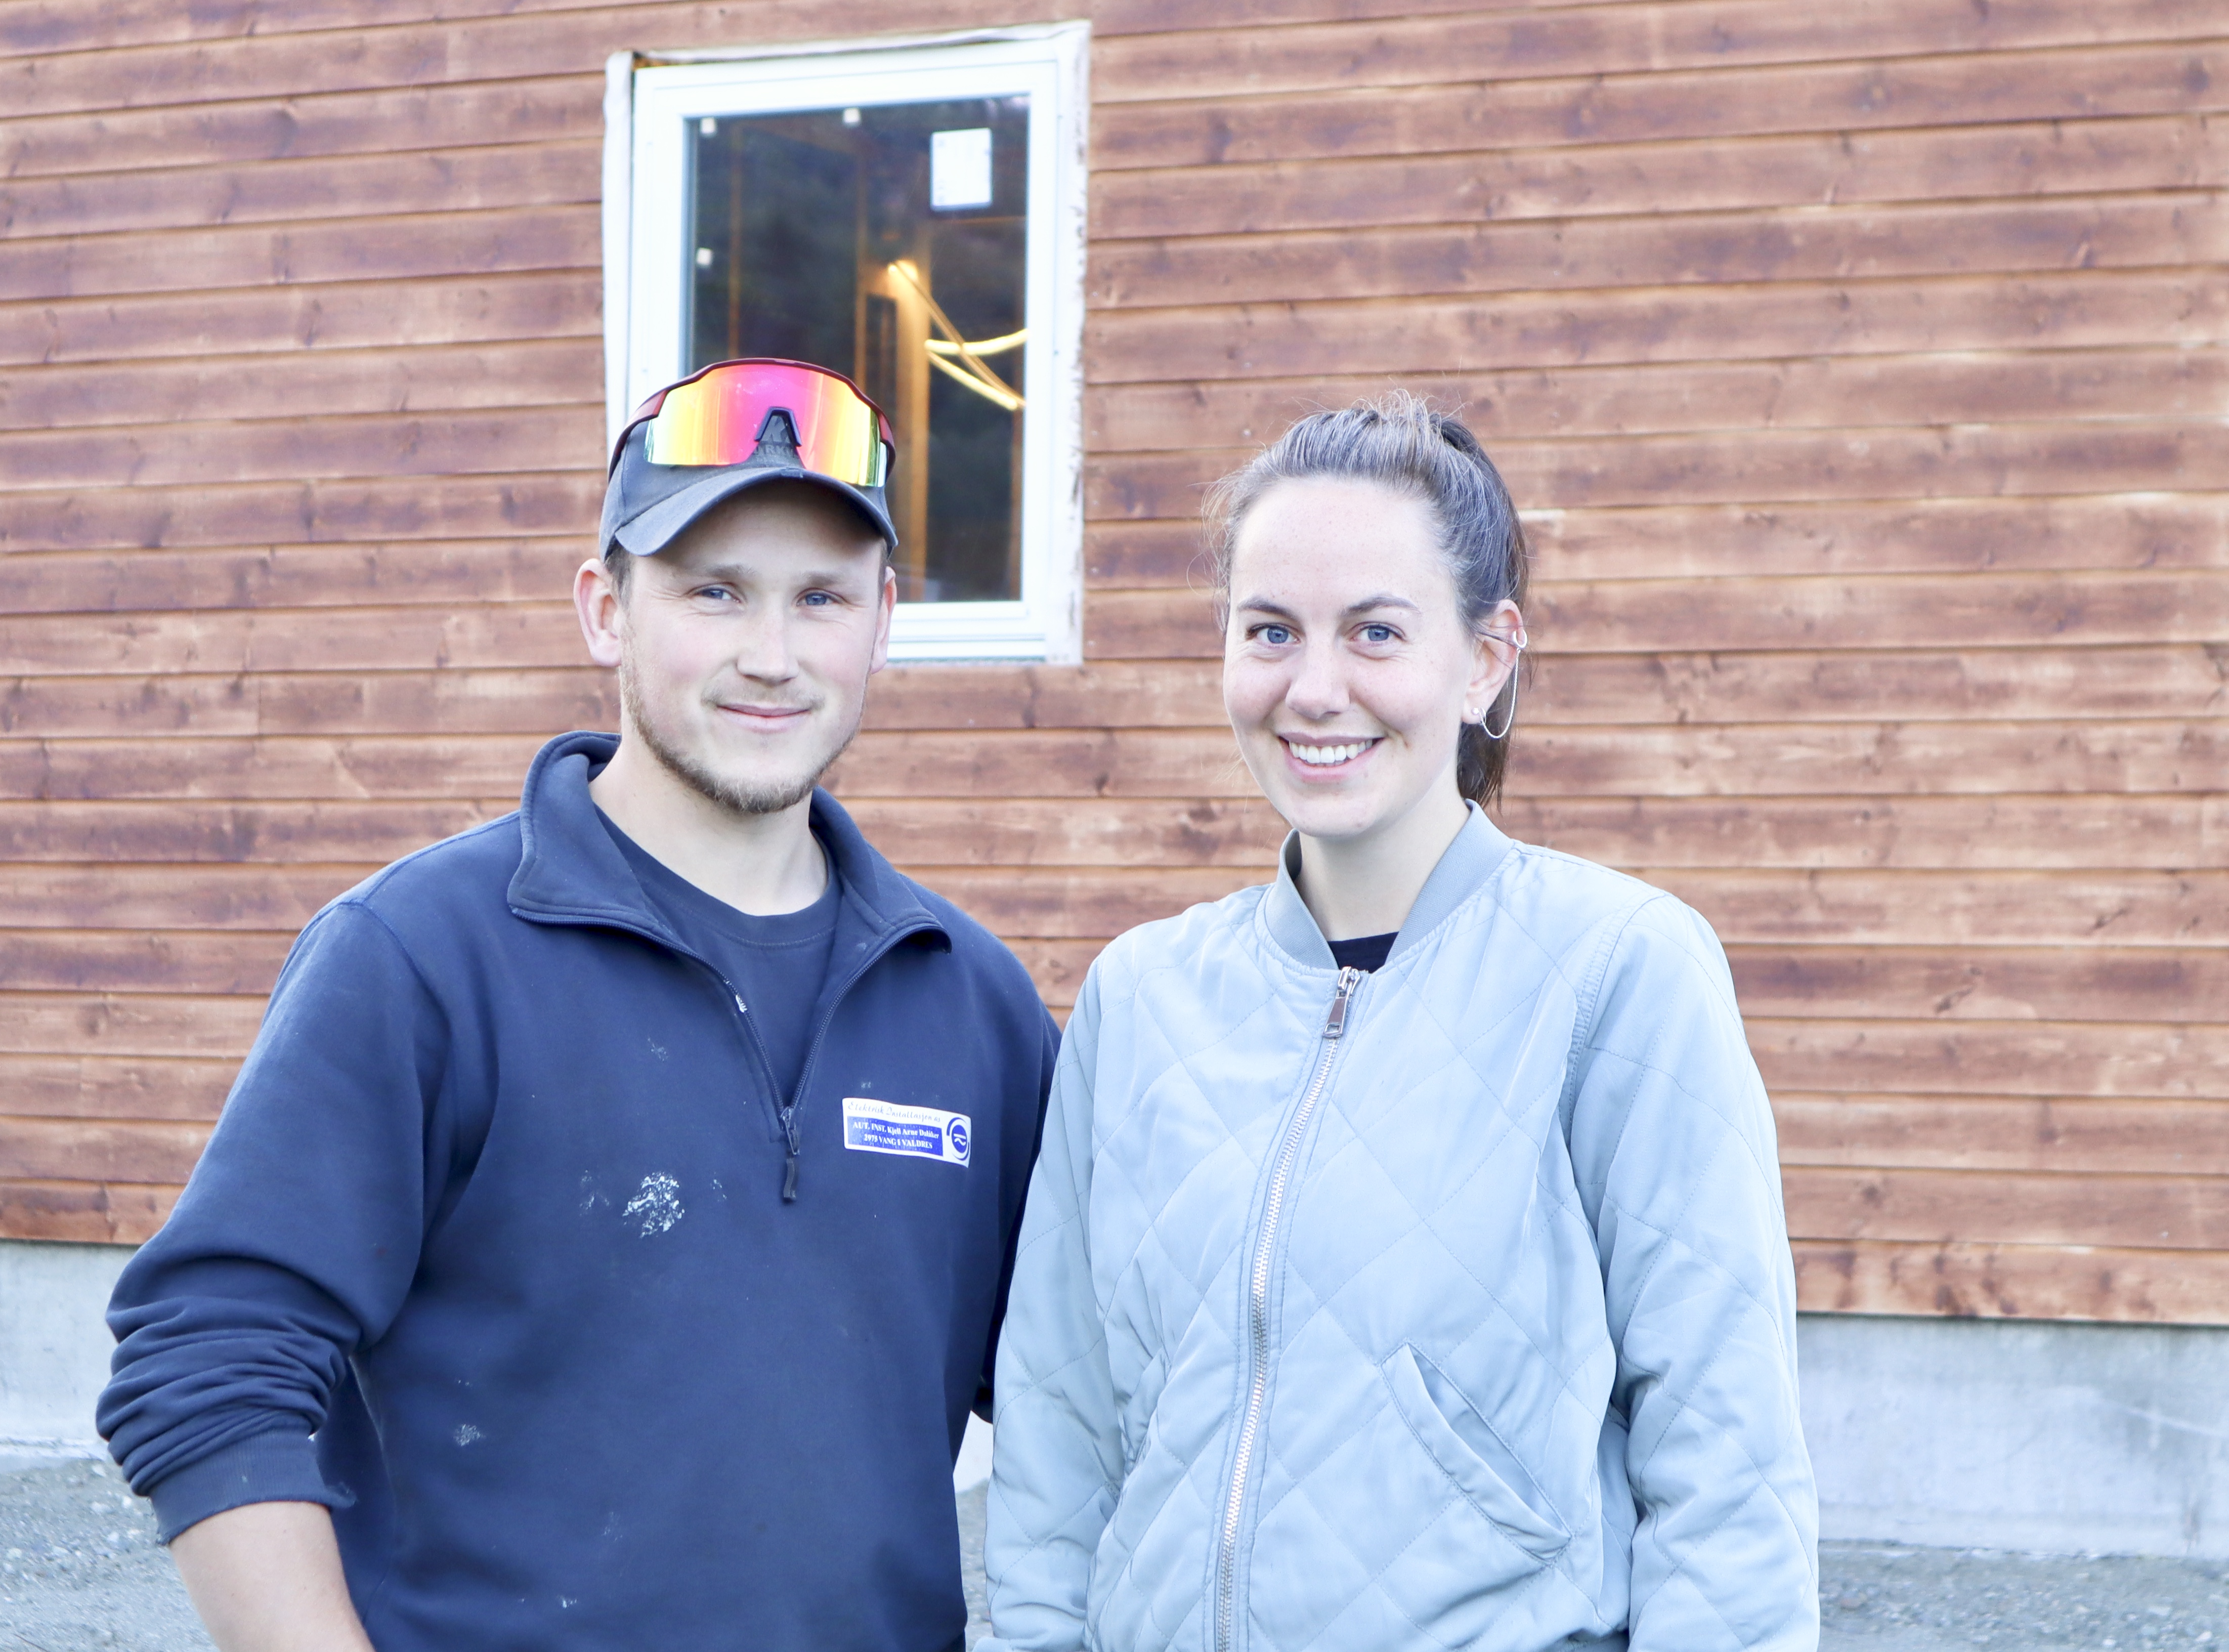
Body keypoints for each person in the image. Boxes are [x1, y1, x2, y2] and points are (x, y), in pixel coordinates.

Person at [99, 358, 1057, 1652]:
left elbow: (1086, 1397)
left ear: (881, 622)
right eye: (713, 591)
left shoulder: (972, 1003)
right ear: (607, 607)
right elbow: (207, 1354)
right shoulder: (420, 957)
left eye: (818, 598)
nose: (769, 656)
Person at [981, 393, 1817, 1652]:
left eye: (1376, 631)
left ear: (1486, 658)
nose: (1315, 689)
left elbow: (1725, 1457)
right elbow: (1058, 1426)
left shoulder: (1618, 970)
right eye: (1271, 632)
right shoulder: (1139, 995)